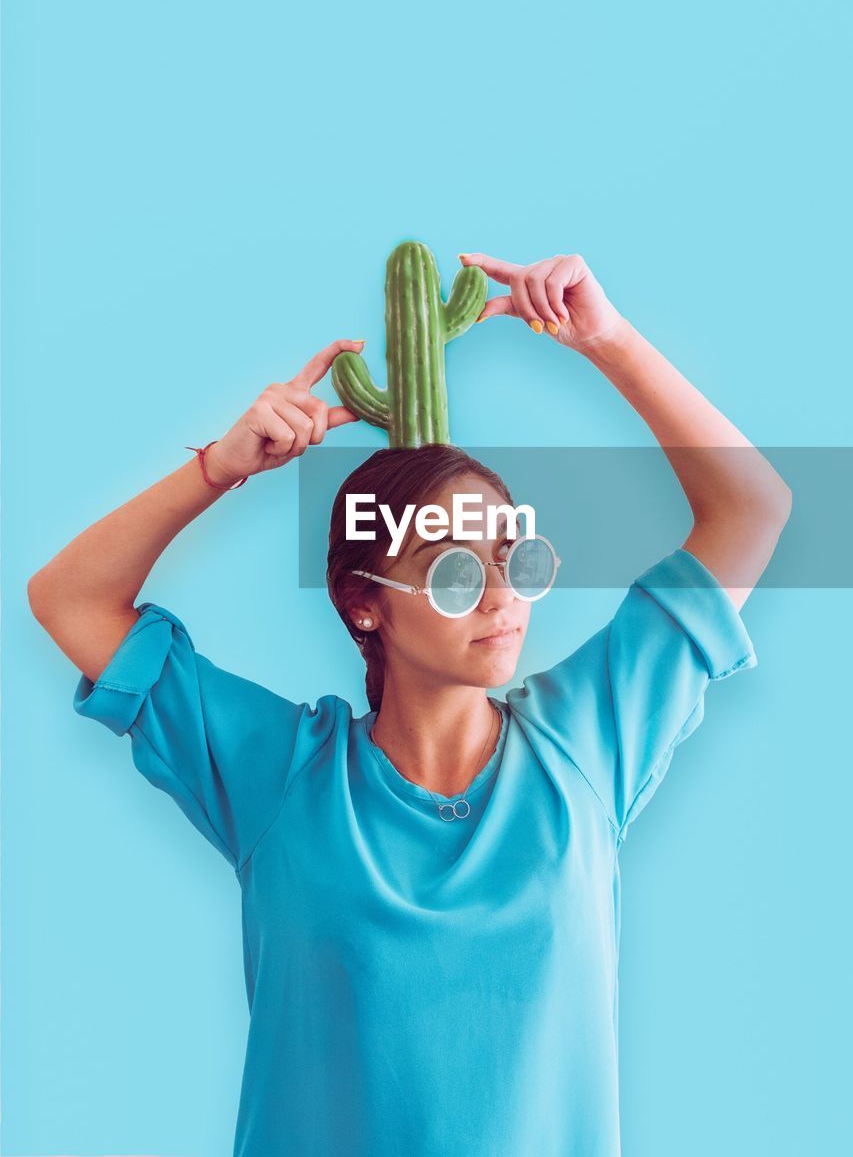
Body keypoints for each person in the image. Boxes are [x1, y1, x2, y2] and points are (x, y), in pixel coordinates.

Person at [28, 250, 791, 1157]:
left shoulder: (590, 739)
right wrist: (221, 467)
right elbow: (68, 599)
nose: (504, 593)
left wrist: (609, 341)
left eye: (516, 557)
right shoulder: (278, 774)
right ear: (365, 602)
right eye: (457, 571)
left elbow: (753, 508)